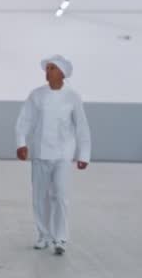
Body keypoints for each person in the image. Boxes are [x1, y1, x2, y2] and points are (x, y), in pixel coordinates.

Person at [15, 55, 91, 256]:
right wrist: (21, 143)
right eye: (47, 68)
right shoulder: (36, 95)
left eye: (52, 68)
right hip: (40, 152)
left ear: (62, 73)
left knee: (61, 195)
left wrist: (84, 154)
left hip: (63, 154)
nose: (47, 72)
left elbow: (81, 126)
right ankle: (43, 235)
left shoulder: (72, 96)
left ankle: (61, 238)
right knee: (40, 197)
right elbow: (24, 120)